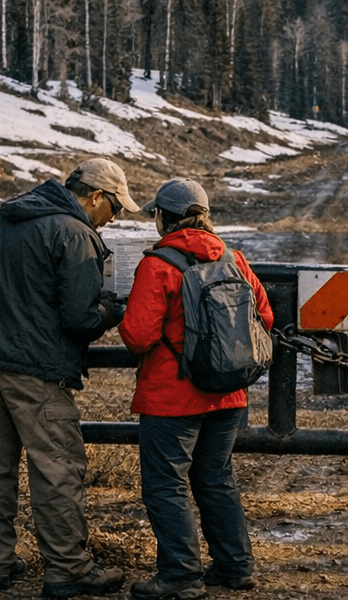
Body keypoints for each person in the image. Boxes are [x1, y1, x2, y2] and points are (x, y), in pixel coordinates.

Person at [0, 157, 137, 598]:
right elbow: (80, 318)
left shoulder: (9, 214)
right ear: (96, 197)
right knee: (58, 466)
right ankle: (68, 569)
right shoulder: (73, 233)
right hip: (34, 366)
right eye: (116, 209)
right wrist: (111, 309)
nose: (114, 219)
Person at [119, 178, 273, 600]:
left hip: (173, 397)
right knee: (216, 479)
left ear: (162, 218)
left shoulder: (158, 264)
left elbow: (137, 336)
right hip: (228, 394)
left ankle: (181, 574)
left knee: (166, 485)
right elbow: (265, 318)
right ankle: (235, 566)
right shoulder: (234, 258)